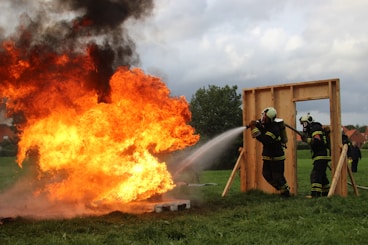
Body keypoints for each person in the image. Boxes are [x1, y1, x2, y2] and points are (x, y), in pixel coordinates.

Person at [249, 107, 290, 197]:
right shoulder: (267, 126)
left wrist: (254, 129)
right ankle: (281, 188)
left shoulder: (274, 129)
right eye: (263, 116)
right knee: (266, 174)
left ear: (270, 119)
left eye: (265, 117)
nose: (263, 118)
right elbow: (263, 130)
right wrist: (256, 125)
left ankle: (285, 192)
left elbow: (265, 139)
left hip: (277, 157)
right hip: (268, 156)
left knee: (277, 176)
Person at [299, 113, 331, 197]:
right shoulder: (315, 128)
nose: (303, 126)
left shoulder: (315, 128)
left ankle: (315, 194)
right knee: (322, 175)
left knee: (315, 175)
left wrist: (307, 140)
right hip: (322, 155)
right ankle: (326, 192)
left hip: (320, 155)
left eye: (303, 123)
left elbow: (318, 141)